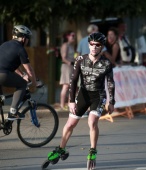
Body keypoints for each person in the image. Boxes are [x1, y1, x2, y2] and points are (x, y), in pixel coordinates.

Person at [46, 32, 115, 167]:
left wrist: (111, 101)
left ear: (101, 47)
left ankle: (92, 151)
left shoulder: (106, 63)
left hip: (98, 95)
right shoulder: (80, 60)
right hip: (83, 94)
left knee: (92, 121)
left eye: (97, 45)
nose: (94, 47)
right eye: (92, 44)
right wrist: (71, 100)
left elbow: (110, 83)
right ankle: (61, 148)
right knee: (70, 124)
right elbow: (73, 81)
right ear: (88, 45)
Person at [0, 25, 37, 120]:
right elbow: (29, 70)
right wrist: (34, 83)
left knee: (1, 99)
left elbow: (12, 64)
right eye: (28, 38)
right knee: (22, 84)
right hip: (3, 75)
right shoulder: (21, 49)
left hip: (2, 73)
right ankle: (13, 112)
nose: (28, 41)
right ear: (23, 38)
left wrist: (22, 75)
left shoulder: (4, 45)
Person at [59, 30, 75, 110]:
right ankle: (62, 105)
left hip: (71, 67)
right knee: (65, 86)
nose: (73, 37)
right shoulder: (65, 45)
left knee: (71, 86)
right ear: (67, 36)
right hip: (66, 67)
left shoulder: (71, 46)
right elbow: (63, 58)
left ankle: (69, 104)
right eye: (72, 35)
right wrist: (70, 63)